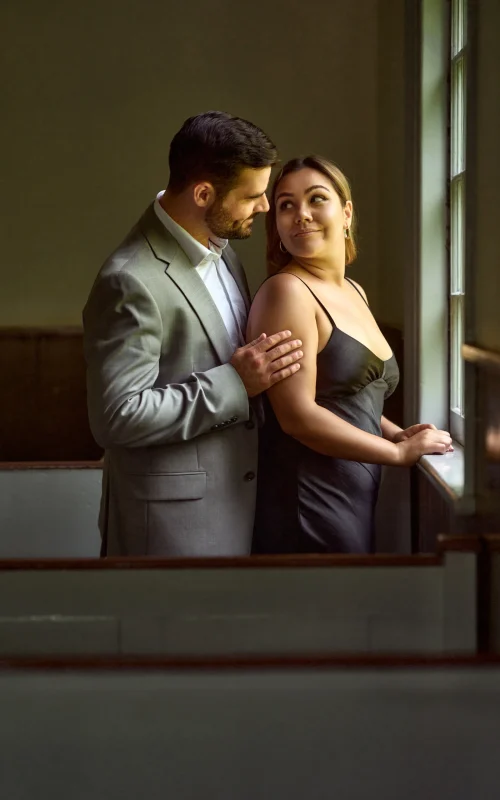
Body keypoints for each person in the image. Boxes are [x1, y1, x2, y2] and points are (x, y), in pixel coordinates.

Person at [83, 111, 303, 557]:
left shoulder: (222, 252)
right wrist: (235, 383)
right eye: (252, 196)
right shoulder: (129, 280)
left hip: (241, 506)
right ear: (204, 193)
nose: (264, 207)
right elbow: (117, 416)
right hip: (169, 527)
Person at [248, 155, 452, 554]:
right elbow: (298, 416)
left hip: (354, 495)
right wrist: (396, 452)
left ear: (346, 213)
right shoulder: (286, 292)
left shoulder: (355, 292)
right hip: (307, 501)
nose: (300, 215)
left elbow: (345, 399)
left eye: (315, 199)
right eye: (286, 205)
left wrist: (396, 431)